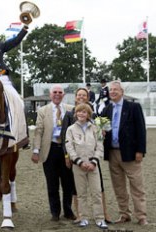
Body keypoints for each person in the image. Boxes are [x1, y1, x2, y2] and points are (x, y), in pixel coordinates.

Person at [101, 80, 148, 226]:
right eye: (111, 90)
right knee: (119, 187)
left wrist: (140, 150)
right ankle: (124, 214)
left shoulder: (133, 107)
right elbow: (100, 129)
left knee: (137, 186)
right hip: (113, 153)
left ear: (122, 92)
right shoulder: (106, 109)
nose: (113, 92)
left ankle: (141, 216)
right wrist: (100, 131)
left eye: (116, 89)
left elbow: (141, 130)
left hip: (131, 153)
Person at [62, 88, 111, 224]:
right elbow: (69, 146)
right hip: (78, 165)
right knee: (81, 193)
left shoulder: (96, 128)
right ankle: (83, 218)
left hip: (93, 165)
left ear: (89, 114)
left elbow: (100, 146)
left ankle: (100, 218)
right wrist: (77, 161)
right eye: (79, 112)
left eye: (84, 112)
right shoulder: (71, 129)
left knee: (96, 193)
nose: (81, 114)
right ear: (75, 113)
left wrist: (94, 161)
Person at [31, 84, 76, 221]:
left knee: (68, 183)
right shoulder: (43, 111)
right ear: (50, 95)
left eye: (60, 92)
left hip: (66, 151)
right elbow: (39, 131)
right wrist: (36, 150)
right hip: (49, 150)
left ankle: (68, 211)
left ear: (63, 95)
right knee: (52, 183)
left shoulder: (70, 109)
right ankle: (55, 213)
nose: (57, 94)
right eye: (54, 92)